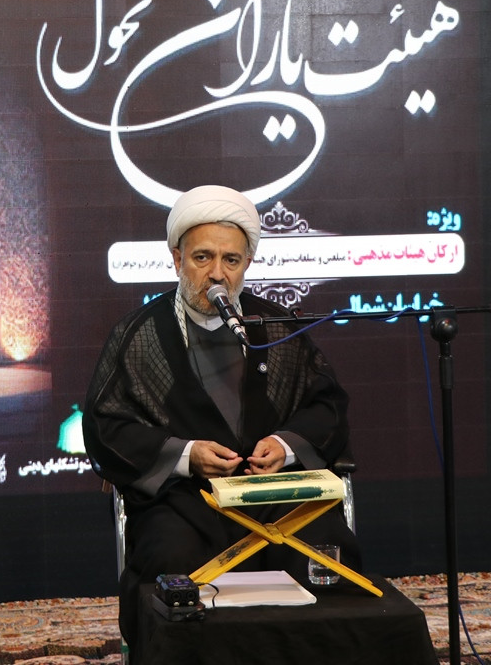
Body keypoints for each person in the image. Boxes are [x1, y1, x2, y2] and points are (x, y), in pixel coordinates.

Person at [82, 185, 361, 656]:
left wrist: (286, 444)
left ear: (247, 263)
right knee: (171, 560)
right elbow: (105, 428)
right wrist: (186, 455)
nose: (217, 274)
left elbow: (327, 406)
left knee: (327, 547)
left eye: (231, 260)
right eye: (202, 258)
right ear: (176, 258)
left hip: (276, 499)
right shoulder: (138, 335)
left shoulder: (277, 328)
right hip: (185, 504)